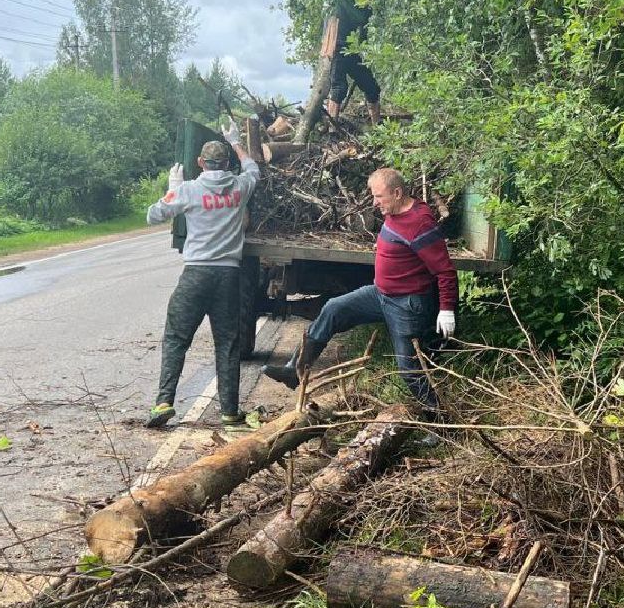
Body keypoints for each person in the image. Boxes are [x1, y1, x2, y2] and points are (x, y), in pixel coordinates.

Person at [263, 167, 457, 410]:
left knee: (409, 369)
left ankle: (438, 420)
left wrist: (446, 309)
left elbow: (445, 270)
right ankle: (294, 369)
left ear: (397, 193)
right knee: (334, 308)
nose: (375, 203)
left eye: (379, 197)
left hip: (407, 304)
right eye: (374, 196)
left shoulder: (420, 225)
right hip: (380, 295)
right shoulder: (395, 211)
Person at [145, 126, 260, 429]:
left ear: (200, 162)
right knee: (228, 344)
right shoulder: (240, 187)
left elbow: (154, 215)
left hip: (195, 274)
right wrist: (236, 142)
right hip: (228, 277)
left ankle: (164, 402)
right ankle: (230, 412)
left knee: (176, 337)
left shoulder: (189, 190)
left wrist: (173, 186)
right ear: (226, 164)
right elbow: (253, 168)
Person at [323, 0, 382, 124]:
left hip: (352, 51)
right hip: (337, 48)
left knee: (372, 87)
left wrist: (365, 51)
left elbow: (363, 35)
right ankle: (332, 129)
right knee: (339, 88)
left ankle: (378, 128)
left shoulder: (366, 10)